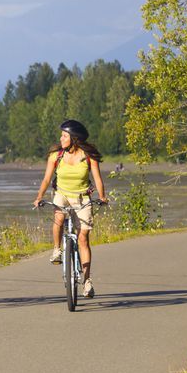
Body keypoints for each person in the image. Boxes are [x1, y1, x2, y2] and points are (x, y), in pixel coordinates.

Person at [33, 119, 108, 298]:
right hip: (62, 194)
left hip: (82, 197)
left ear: (74, 138)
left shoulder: (88, 156)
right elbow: (46, 179)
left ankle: (87, 281)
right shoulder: (56, 156)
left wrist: (102, 196)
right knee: (59, 218)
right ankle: (57, 249)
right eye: (62, 135)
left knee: (83, 238)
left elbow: (97, 179)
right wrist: (39, 197)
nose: (61, 138)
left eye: (65, 136)